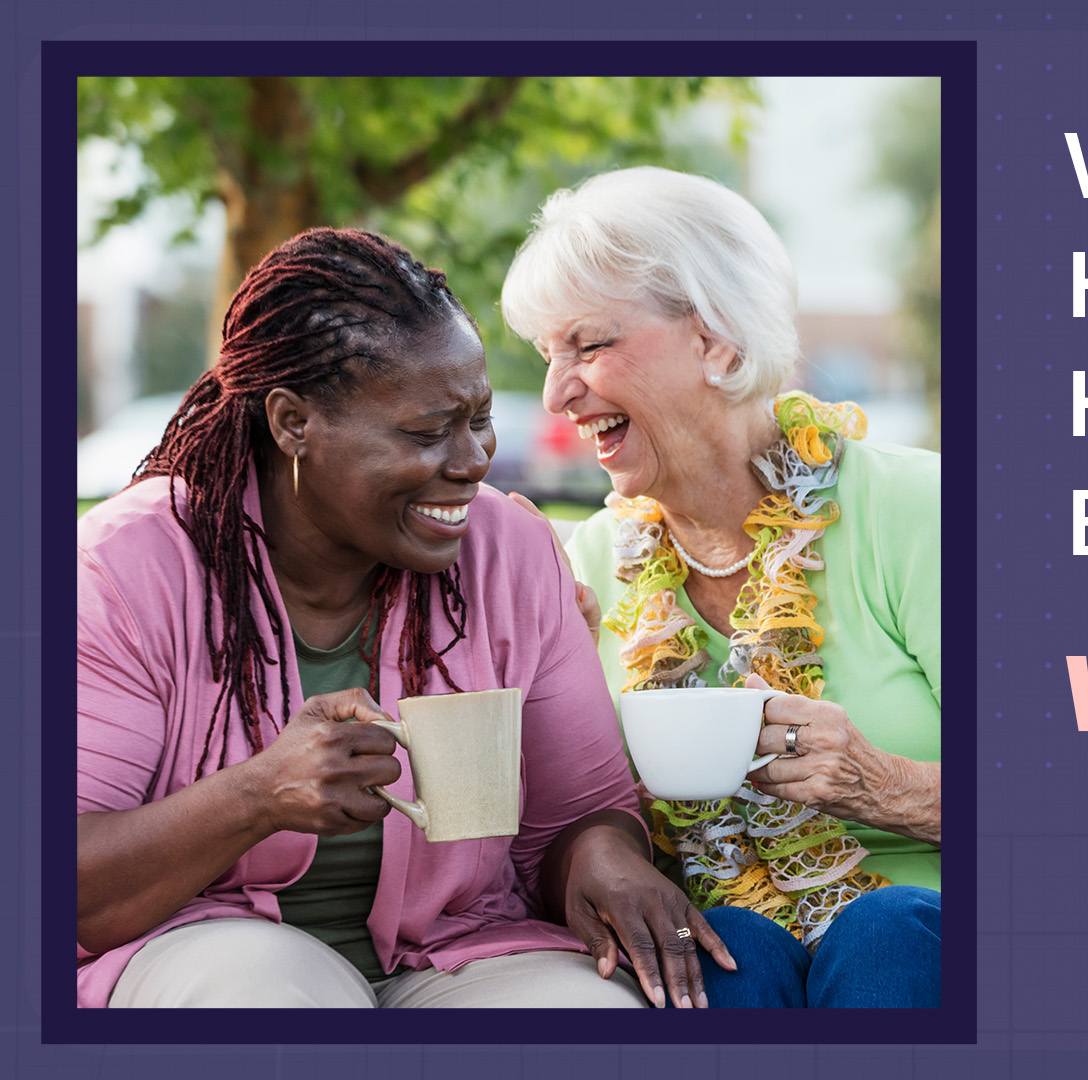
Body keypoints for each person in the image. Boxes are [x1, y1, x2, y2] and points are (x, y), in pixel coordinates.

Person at [77, 227, 736, 1008]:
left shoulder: (508, 552)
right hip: (200, 942)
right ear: (293, 423)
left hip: (460, 946)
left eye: (478, 420)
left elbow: (579, 815)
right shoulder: (133, 566)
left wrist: (603, 859)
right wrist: (254, 796)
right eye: (426, 433)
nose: (470, 462)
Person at [501, 167, 941, 1007]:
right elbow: (547, 834)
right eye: (548, 356)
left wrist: (882, 783)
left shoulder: (919, 513)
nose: (558, 391)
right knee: (721, 948)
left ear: (718, 341)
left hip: (929, 938)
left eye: (588, 345)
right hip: (724, 941)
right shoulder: (588, 570)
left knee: (885, 936)